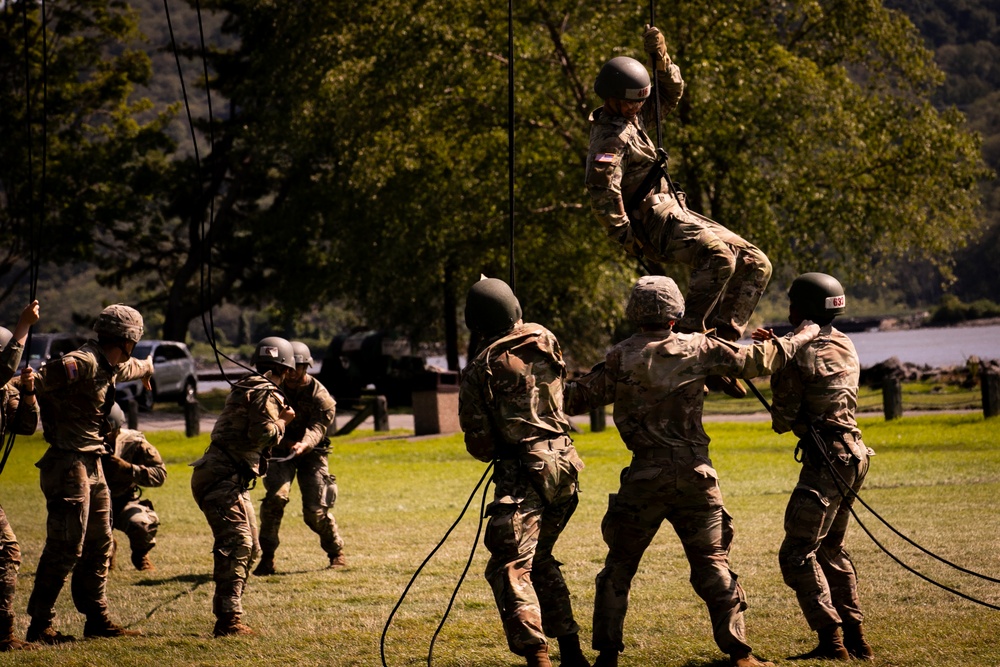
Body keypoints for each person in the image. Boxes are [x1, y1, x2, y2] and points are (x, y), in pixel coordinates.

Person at [564, 276, 822, 667]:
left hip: (644, 477)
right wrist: (804, 334)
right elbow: (758, 361)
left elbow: (577, 397)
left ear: (634, 313)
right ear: (675, 313)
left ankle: (606, 658)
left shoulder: (620, 356)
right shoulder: (699, 348)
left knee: (618, 567)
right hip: (695, 475)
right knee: (713, 564)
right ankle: (740, 654)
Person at [585, 26, 772, 395]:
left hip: (675, 210)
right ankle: (688, 345)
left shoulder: (633, 118)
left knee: (756, 263)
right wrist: (625, 238)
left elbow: (672, 92)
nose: (640, 106)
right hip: (652, 223)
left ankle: (721, 348)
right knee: (719, 257)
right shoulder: (611, 137)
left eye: (642, 100)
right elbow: (601, 191)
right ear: (611, 100)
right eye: (632, 101)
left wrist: (661, 58)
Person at [458, 278, 590, 667]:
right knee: (541, 559)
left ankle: (537, 657)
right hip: (565, 467)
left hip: (523, 474)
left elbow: (479, 445)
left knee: (511, 565)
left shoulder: (479, 369)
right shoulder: (546, 339)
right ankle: (572, 652)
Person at [750, 273, 874, 661]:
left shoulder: (795, 352)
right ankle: (856, 638)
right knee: (831, 549)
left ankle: (832, 640)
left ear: (798, 308)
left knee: (797, 553)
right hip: (854, 454)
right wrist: (781, 350)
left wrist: (778, 359)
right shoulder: (845, 342)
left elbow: (783, 419)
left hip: (825, 460)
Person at [26, 304, 154, 643]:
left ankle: (96, 619)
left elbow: (132, 367)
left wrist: (147, 370)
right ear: (129, 338)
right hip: (68, 464)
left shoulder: (112, 362)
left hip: (92, 463)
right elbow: (36, 381)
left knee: (100, 544)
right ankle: (41, 625)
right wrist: (26, 390)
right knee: (65, 547)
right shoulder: (82, 362)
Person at [190, 336, 296, 637]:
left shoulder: (247, 385)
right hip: (222, 478)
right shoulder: (266, 392)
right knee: (238, 544)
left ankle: (231, 614)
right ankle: (228, 620)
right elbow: (262, 432)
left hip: (227, 478)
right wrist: (284, 422)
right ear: (286, 369)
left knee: (251, 548)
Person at [254, 340, 344, 576]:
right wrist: (286, 443)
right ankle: (268, 557)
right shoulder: (271, 389)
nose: (292, 374)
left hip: (312, 454)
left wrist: (304, 444)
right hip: (280, 452)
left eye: (298, 368)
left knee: (315, 512)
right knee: (275, 500)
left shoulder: (321, 397)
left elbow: (318, 427)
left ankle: (336, 551)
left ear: (307, 367)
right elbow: (263, 424)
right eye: (289, 368)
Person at [0, 301, 41, 652]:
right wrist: (22, 327)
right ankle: (2, 635)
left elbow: (26, 427)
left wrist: (27, 392)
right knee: (7, 550)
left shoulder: (4, 391)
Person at [103, 403, 166, 572]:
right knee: (98, 561)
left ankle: (140, 555)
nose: (104, 437)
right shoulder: (81, 443)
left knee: (142, 524)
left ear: (118, 427)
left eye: (109, 431)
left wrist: (128, 469)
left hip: (124, 500)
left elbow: (160, 475)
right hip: (91, 505)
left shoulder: (133, 442)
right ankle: (107, 550)